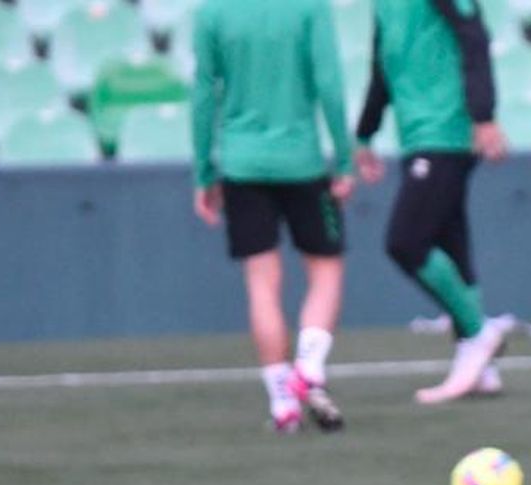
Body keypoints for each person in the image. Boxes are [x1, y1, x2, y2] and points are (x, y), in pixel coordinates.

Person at [190, 0, 352, 434]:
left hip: (242, 165)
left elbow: (205, 92)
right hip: (301, 161)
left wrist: (204, 171)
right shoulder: (309, 8)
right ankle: (309, 368)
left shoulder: (213, 13)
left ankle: (283, 404)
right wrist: (345, 159)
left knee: (263, 283)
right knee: (326, 269)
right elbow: (330, 84)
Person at [355, 0, 509, 405]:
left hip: (448, 131)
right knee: (451, 240)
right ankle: (481, 367)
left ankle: (478, 333)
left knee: (406, 242)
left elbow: (473, 37)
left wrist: (484, 116)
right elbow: (381, 66)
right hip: (417, 135)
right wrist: (364, 134)